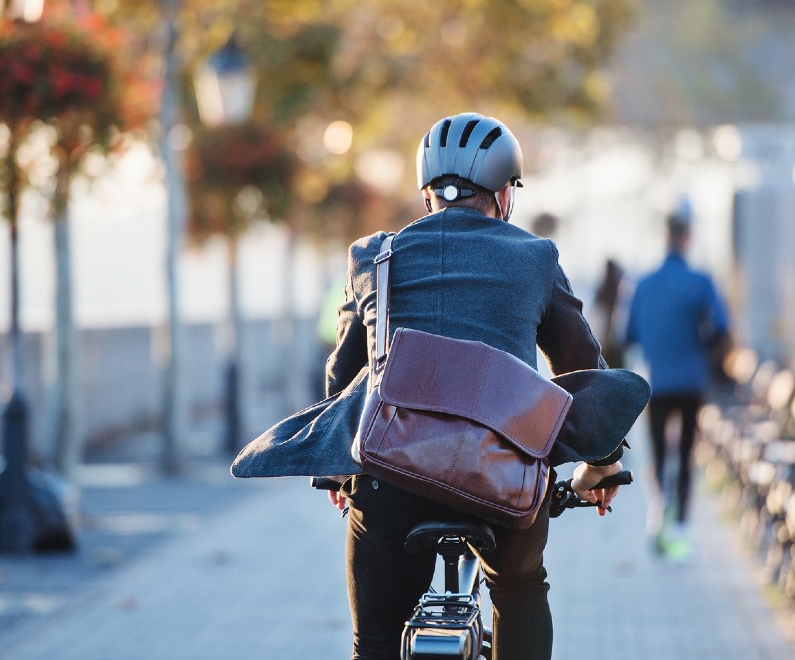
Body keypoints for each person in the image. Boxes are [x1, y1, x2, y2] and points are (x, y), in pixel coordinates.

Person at [230, 112, 650, 660]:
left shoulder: (373, 256)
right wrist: (602, 464)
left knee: (375, 642)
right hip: (506, 475)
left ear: (427, 195)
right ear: (504, 196)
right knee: (520, 587)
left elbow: (344, 377)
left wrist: (338, 467)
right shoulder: (535, 257)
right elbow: (581, 369)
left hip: (389, 474)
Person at [625, 209, 730, 561]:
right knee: (685, 455)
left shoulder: (644, 283)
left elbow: (631, 334)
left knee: (656, 453)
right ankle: (682, 528)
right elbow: (721, 329)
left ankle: (658, 512)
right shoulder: (701, 282)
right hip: (691, 381)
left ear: (664, 237)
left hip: (656, 383)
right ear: (687, 238)